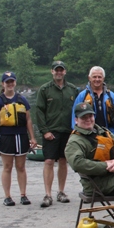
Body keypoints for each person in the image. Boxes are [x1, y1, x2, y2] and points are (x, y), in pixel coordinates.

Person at [0, 72, 37, 206]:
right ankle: (7, 196)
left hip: (21, 136)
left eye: (12, 81)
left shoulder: (22, 99)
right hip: (6, 137)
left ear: (15, 82)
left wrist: (32, 137)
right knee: (7, 167)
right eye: (7, 82)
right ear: (3, 84)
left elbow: (28, 120)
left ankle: (23, 195)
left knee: (21, 166)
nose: (10, 84)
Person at [36, 60, 78, 208]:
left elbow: (78, 111)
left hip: (67, 131)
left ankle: (61, 192)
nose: (59, 72)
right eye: (56, 70)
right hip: (51, 131)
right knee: (48, 161)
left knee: (63, 161)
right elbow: (39, 111)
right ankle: (47, 194)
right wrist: (45, 130)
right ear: (52, 72)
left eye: (61, 70)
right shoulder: (44, 89)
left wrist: (76, 130)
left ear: (65, 72)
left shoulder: (72, 89)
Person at [72, 66, 114, 139]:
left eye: (99, 77)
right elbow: (74, 118)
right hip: (87, 137)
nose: (97, 79)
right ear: (89, 78)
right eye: (94, 77)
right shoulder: (82, 96)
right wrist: (77, 136)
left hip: (109, 136)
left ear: (103, 78)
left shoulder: (111, 96)